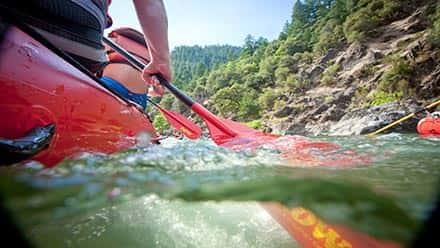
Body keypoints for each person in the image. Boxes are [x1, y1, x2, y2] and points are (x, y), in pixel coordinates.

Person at [1, 0, 170, 96]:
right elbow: (150, 4)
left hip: (20, 23)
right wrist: (161, 61)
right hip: (85, 43)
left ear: (116, 38)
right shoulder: (138, 60)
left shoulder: (114, 48)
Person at [101, 27, 154, 109]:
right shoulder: (152, 56)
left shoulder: (114, 40)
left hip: (112, 86)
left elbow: (93, 56)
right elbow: (158, 91)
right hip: (139, 98)